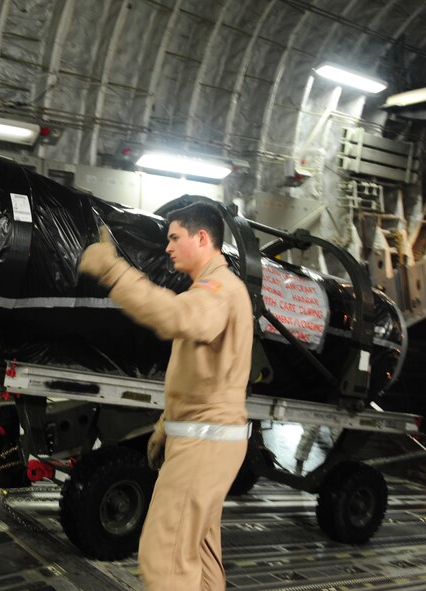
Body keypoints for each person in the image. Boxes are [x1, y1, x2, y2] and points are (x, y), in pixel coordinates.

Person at [79, 201, 254, 590]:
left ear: (202, 238)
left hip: (204, 444)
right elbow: (200, 379)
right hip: (205, 439)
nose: (168, 247)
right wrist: (164, 425)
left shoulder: (218, 291)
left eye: (175, 238)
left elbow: (174, 316)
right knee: (198, 551)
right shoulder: (215, 290)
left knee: (167, 553)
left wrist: (111, 270)